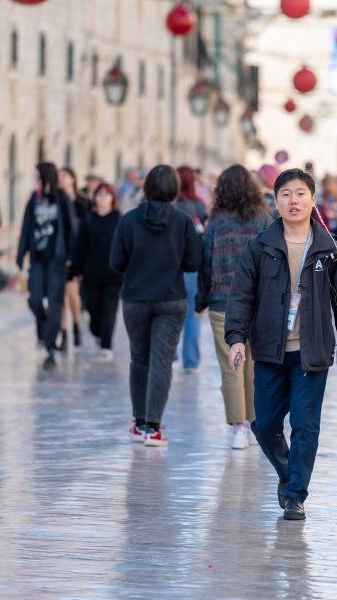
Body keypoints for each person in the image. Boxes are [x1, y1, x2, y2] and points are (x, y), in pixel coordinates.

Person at [225, 168, 337, 521]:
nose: (293, 201)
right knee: (266, 425)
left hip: (311, 352)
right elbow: (241, 296)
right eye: (285, 194)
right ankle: (289, 473)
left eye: (300, 193)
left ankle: (296, 495)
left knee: (306, 424)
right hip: (270, 351)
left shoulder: (329, 249)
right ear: (275, 200)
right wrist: (237, 338)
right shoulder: (260, 246)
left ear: (313, 200)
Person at [110, 165, 202, 447]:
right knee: (162, 360)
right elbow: (192, 262)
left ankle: (139, 423)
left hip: (136, 298)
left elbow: (116, 262)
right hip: (170, 298)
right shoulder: (183, 221)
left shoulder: (129, 220)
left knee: (139, 358)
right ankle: (153, 426)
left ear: (147, 187)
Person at [196, 164, 271, 450]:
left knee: (232, 365)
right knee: (252, 365)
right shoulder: (264, 219)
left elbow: (205, 262)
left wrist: (201, 300)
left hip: (222, 302)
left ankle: (238, 427)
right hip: (257, 302)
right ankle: (254, 423)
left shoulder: (216, 222)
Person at [17, 162, 75, 371]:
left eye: (38, 175)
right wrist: (20, 254)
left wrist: (71, 256)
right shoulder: (35, 197)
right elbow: (26, 226)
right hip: (38, 259)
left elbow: (72, 228)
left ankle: (50, 347)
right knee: (34, 299)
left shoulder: (62, 198)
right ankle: (44, 330)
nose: (36, 178)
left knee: (55, 302)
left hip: (57, 260)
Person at [74, 183, 122, 359]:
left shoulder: (119, 219)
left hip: (114, 275)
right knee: (92, 308)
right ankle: (98, 332)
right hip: (91, 273)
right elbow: (80, 247)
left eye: (106, 194)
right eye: (99, 194)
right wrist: (76, 270)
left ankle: (106, 345)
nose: (102, 198)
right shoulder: (89, 219)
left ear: (112, 198)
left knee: (110, 310)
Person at [175, 165, 208, 374]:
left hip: (173, 266)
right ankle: (191, 361)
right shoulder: (199, 205)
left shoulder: (173, 206)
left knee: (171, 313)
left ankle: (171, 355)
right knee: (192, 314)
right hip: (194, 266)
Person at [58, 167, 90, 350]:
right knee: (60, 294)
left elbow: (87, 227)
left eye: (65, 175)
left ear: (73, 178)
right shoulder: (56, 199)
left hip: (77, 251)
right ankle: (63, 332)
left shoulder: (82, 201)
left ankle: (76, 323)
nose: (61, 179)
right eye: (59, 176)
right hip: (60, 251)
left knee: (72, 292)